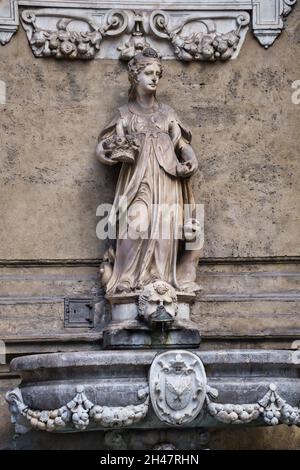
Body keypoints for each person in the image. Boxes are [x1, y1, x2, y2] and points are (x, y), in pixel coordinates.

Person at [96, 48, 200, 294]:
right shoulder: (125, 114)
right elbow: (104, 145)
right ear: (135, 77)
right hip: (137, 180)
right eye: (148, 73)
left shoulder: (167, 114)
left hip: (167, 180)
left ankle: (160, 280)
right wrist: (107, 155)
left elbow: (182, 145)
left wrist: (190, 160)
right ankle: (126, 279)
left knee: (165, 229)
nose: (154, 78)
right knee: (136, 222)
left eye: (157, 73)